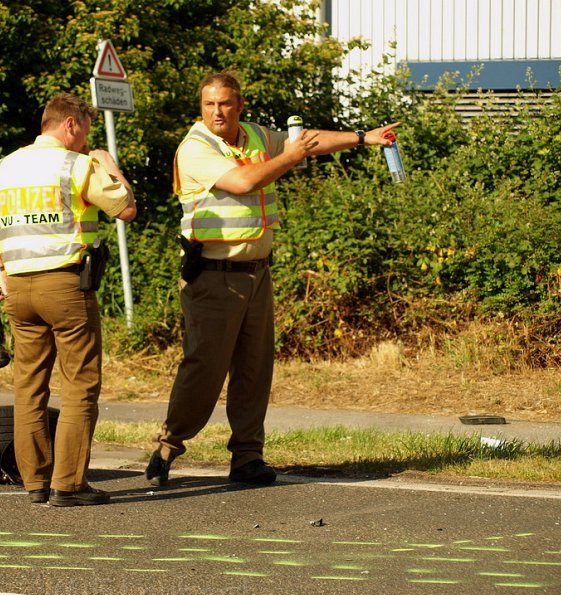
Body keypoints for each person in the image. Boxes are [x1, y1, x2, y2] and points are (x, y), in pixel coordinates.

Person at [146, 72, 398, 487]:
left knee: (254, 369)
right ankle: (168, 446)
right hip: (212, 276)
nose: (217, 112)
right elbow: (245, 181)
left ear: (240, 105)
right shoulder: (195, 148)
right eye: (209, 104)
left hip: (256, 274)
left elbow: (306, 138)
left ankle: (247, 456)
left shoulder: (256, 134)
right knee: (204, 370)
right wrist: (291, 156)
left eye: (225, 103)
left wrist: (363, 137)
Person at [0, 92, 136, 507]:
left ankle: (35, 482)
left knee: (29, 388)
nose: (85, 141)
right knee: (79, 386)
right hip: (65, 287)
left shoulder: (2, 167)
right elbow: (126, 207)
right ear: (71, 125)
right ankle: (69, 485)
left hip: (17, 291)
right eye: (85, 132)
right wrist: (109, 165)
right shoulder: (78, 164)